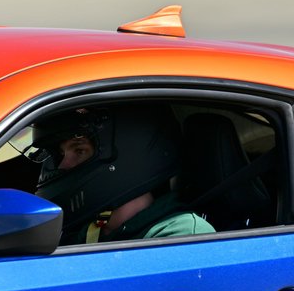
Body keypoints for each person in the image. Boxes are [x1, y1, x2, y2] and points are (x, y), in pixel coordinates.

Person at [14, 104, 215, 244]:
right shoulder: (91, 230)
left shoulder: (182, 236)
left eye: (79, 150)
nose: (64, 165)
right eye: (61, 154)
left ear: (131, 154)